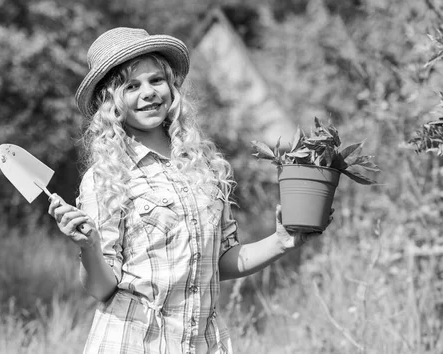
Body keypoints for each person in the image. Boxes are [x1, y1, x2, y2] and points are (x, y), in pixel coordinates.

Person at [48, 27, 330, 354]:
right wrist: (89, 247)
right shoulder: (108, 177)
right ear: (111, 102)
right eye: (131, 86)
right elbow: (101, 287)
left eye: (156, 80)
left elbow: (220, 261)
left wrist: (282, 241)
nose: (149, 93)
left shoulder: (204, 166)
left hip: (202, 344)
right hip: (134, 343)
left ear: (171, 85)